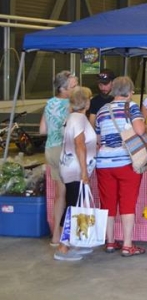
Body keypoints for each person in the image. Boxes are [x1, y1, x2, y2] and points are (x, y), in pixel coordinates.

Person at [95, 76, 146, 256]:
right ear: (129, 91)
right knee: (127, 202)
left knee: (107, 202)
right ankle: (127, 244)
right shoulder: (131, 107)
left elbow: (99, 139)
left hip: (103, 163)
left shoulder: (102, 110)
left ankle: (109, 242)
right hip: (125, 161)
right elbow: (140, 130)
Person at [53, 87, 96, 261]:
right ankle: (63, 246)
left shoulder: (72, 117)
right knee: (73, 205)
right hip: (76, 169)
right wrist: (84, 172)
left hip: (71, 166)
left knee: (76, 204)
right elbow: (80, 145)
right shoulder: (78, 119)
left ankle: (74, 241)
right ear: (86, 102)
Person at [40, 70, 78, 247]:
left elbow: (43, 130)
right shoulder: (70, 104)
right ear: (64, 88)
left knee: (58, 194)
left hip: (50, 150)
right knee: (68, 194)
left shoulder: (49, 103)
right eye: (74, 86)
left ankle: (55, 235)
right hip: (64, 150)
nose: (77, 89)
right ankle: (65, 236)